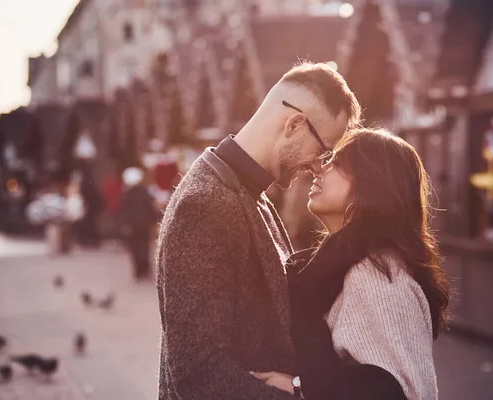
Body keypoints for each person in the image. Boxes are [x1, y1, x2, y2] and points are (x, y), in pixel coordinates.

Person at [156, 62, 361, 399]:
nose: (317, 167)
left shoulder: (248, 194)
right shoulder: (205, 203)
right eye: (323, 151)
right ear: (294, 124)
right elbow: (199, 376)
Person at [252, 128, 449, 399]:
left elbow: (393, 393)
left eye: (337, 164)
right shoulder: (343, 269)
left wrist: (297, 387)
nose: (319, 169)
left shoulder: (378, 274)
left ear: (372, 184)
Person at [120, 167, 158, 280]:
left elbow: (124, 211)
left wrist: (126, 224)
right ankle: (144, 269)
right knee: (144, 247)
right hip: (145, 224)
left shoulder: (127, 194)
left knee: (135, 247)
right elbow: (151, 208)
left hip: (133, 225)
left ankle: (139, 270)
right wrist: (153, 221)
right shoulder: (145, 192)